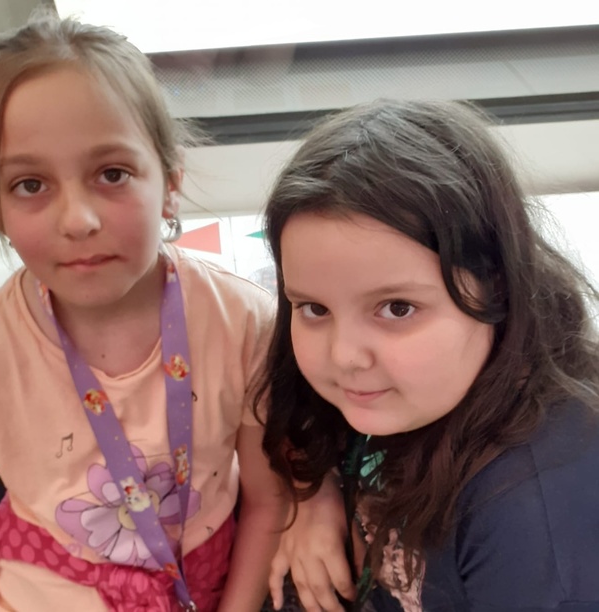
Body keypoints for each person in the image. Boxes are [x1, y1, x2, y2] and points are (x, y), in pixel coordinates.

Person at [0, 12, 286, 612]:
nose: (78, 220)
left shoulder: (245, 323)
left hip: (203, 572)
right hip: (50, 582)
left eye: (112, 174)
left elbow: (268, 502)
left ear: (170, 183)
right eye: (30, 185)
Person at [255, 99, 599, 611]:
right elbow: (299, 420)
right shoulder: (411, 390)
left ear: (496, 288)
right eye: (314, 308)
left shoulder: (532, 505)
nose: (344, 355)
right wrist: (314, 498)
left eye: (397, 308)